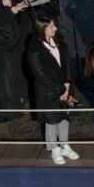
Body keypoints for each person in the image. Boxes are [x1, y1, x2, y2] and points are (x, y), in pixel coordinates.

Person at [28, 16, 77, 165]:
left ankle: (64, 145)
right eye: (51, 27)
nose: (55, 28)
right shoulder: (35, 48)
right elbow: (40, 74)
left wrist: (67, 83)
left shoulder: (59, 41)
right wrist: (60, 89)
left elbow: (67, 62)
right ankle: (54, 148)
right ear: (43, 29)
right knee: (51, 120)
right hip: (48, 90)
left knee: (64, 117)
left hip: (65, 87)